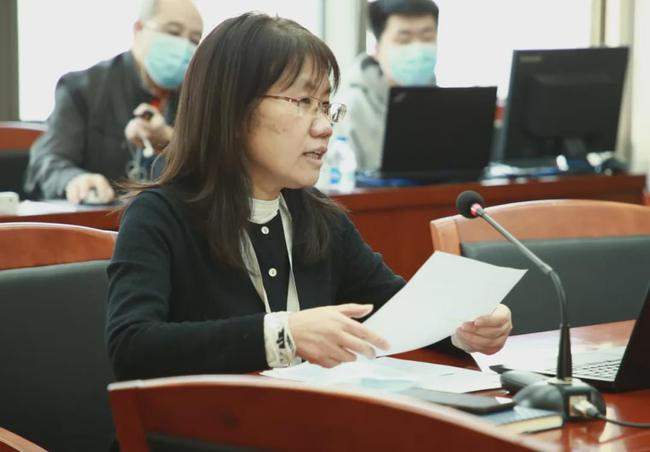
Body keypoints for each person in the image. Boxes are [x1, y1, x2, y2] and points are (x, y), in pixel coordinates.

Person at [106, 12, 511, 381]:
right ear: (233, 109)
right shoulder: (159, 215)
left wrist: (464, 327)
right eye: (303, 102)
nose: (324, 127)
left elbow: (395, 311)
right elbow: (131, 346)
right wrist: (283, 335)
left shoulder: (319, 217)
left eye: (326, 105)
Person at [23, 0, 203, 203]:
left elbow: (217, 164)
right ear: (139, 29)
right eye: (173, 32)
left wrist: (170, 140)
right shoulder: (83, 89)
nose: (184, 47)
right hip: (103, 217)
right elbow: (47, 162)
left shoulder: (199, 97)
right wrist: (75, 180)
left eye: (194, 40)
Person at [336, 0, 439, 173]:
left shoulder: (448, 106)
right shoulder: (350, 109)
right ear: (377, 49)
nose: (417, 50)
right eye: (404, 40)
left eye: (427, 38)